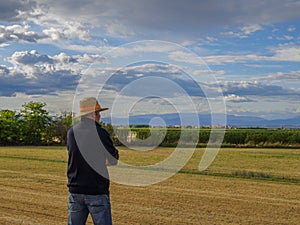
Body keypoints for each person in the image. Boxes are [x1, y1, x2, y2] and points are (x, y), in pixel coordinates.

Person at [67, 97, 119, 225]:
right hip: (96, 190)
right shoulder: (101, 133)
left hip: (75, 190)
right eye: (98, 113)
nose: (100, 116)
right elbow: (113, 159)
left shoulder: (71, 132)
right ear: (93, 114)